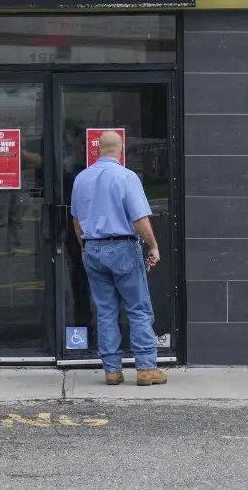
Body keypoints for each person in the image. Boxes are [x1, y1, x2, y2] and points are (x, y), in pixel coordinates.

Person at [70, 130, 166, 387]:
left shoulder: (81, 179)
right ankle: (146, 368)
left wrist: (83, 247)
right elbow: (139, 219)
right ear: (121, 150)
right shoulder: (126, 176)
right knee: (138, 309)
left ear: (97, 150)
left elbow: (76, 220)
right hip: (122, 247)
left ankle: (112, 370)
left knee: (105, 311)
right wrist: (153, 245)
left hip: (93, 249)